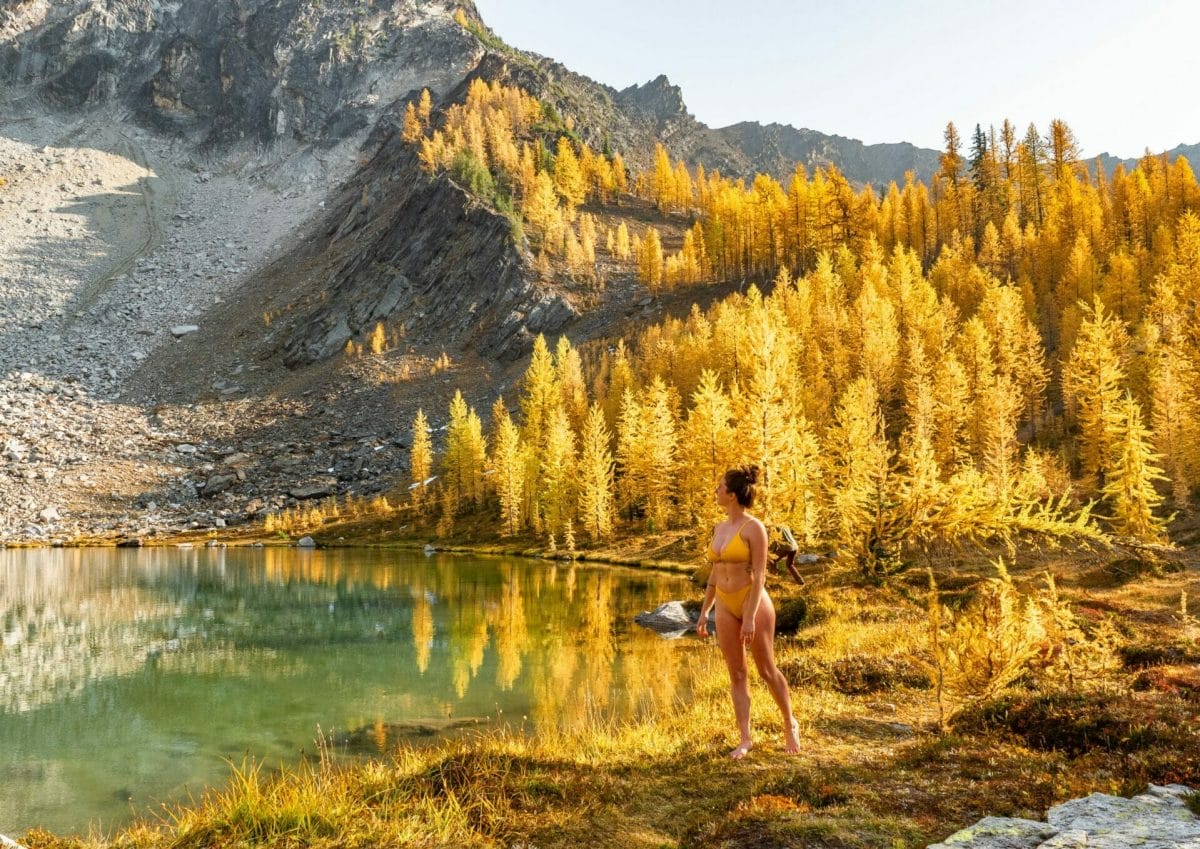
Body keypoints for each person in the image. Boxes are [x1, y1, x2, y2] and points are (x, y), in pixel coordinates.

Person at [696, 465, 801, 759]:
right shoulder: (718, 528)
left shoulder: (754, 528)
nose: (716, 491)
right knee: (737, 673)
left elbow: (760, 576)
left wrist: (751, 617)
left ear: (731, 494)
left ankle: (789, 722)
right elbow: (714, 574)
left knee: (766, 669)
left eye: (719, 487)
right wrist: (705, 611)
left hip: (752, 603)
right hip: (725, 605)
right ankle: (745, 739)